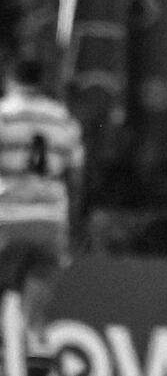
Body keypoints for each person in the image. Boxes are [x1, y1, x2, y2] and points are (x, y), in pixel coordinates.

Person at [0, 58, 85, 376]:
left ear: (10, 78)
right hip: (50, 224)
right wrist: (70, 225)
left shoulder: (4, 114)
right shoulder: (63, 119)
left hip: (6, 219)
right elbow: (77, 179)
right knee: (36, 320)